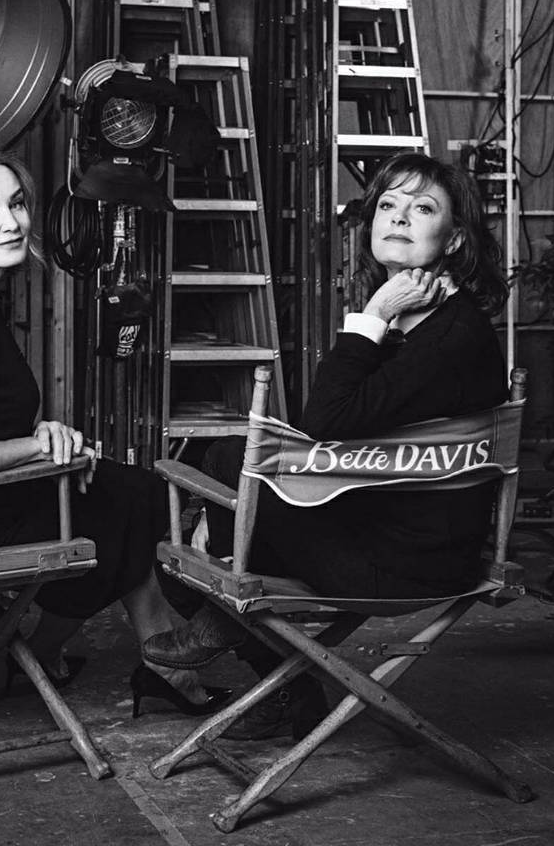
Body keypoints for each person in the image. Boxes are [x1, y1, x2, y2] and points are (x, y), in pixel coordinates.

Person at [143, 152, 511, 738]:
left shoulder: (448, 336)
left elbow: (326, 421)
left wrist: (373, 313)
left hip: (405, 564)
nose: (399, 217)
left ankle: (236, 630)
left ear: (455, 238)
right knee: (216, 486)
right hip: (390, 528)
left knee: (217, 492)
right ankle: (283, 684)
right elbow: (349, 433)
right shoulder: (430, 322)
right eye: (387, 204)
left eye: (423, 208)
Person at [0, 145, 227, 718]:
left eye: (16, 204)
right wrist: (37, 445)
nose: (12, 222)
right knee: (128, 503)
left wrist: (41, 430)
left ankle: (156, 661)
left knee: (127, 490)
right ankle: (53, 654)